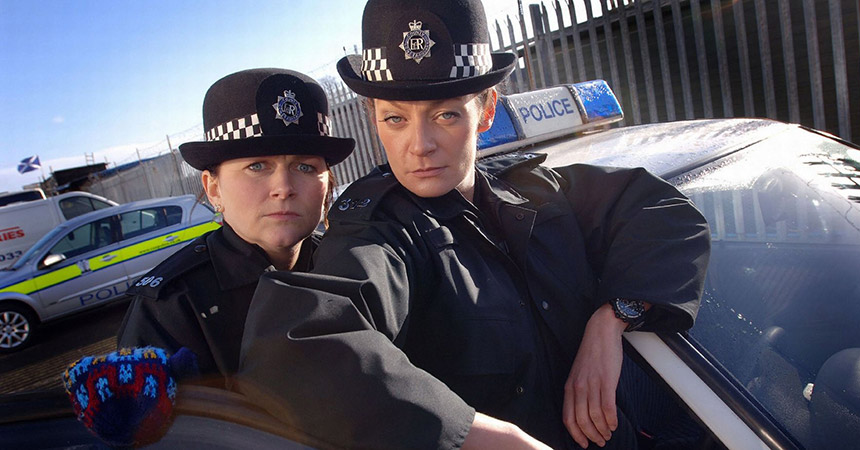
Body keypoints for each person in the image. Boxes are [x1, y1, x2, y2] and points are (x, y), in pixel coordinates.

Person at [237, 1, 711, 449]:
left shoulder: (534, 191)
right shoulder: (376, 233)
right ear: (374, 121)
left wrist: (611, 319)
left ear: (485, 111)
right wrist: (478, 436)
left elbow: (665, 210)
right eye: (395, 119)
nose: (419, 144)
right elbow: (294, 348)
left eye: (445, 114)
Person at [117, 68, 355, 386]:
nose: (283, 187)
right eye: (257, 166)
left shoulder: (352, 264)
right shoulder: (170, 310)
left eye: (304, 166)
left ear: (328, 182)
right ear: (214, 189)